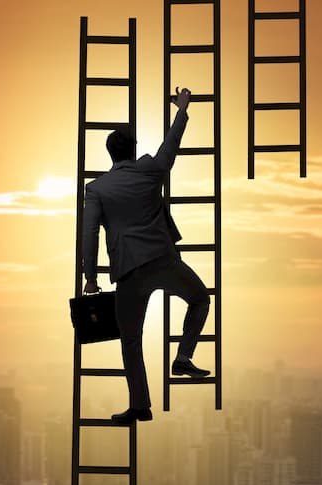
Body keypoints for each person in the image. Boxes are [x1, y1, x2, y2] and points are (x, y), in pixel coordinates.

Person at [81, 86, 211, 424]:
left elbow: (89, 232)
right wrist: (181, 109)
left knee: (130, 341)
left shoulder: (96, 189)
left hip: (128, 271)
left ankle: (141, 406)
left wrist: (91, 277)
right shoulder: (150, 170)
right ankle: (182, 357)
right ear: (134, 149)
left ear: (109, 154)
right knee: (199, 299)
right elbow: (171, 146)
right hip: (163, 260)